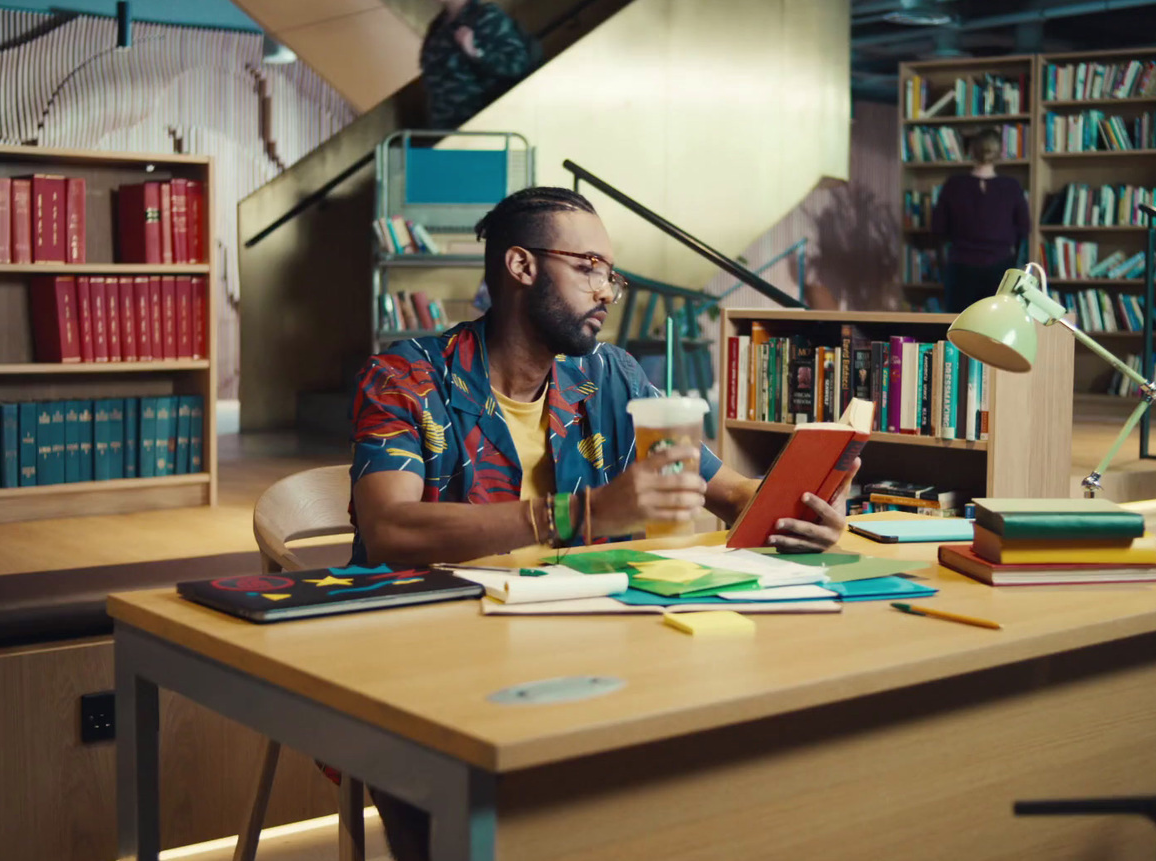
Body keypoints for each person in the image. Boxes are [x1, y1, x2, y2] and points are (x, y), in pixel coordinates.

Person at [347, 186, 860, 860]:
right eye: (588, 266)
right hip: (428, 659)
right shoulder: (406, 376)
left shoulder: (610, 377)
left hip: (581, 642)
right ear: (521, 266)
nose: (607, 291)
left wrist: (807, 508)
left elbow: (731, 493)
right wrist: (581, 513)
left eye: (609, 273)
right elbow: (389, 528)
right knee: (445, 797)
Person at [419, 0, 537, 131]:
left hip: (481, 127)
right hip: (442, 131)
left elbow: (518, 63)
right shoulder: (437, 27)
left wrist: (476, 53)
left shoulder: (486, 16)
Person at [930, 128, 1030, 313]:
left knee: (959, 327)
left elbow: (937, 229)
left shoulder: (954, 185)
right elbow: (1024, 229)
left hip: (961, 270)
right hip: (1000, 269)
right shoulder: (1011, 187)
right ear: (999, 152)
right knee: (995, 328)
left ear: (972, 151)